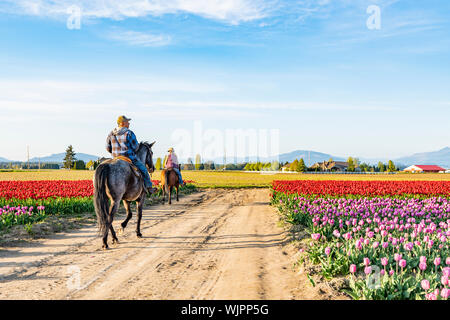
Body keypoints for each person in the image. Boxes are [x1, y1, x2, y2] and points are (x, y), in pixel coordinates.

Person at [106, 115, 157, 195]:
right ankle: (149, 187)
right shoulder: (129, 133)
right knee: (143, 169)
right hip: (128, 158)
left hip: (115, 158)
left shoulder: (111, 133)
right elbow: (136, 147)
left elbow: (108, 148)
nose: (129, 123)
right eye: (127, 122)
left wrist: (115, 153)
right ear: (122, 123)